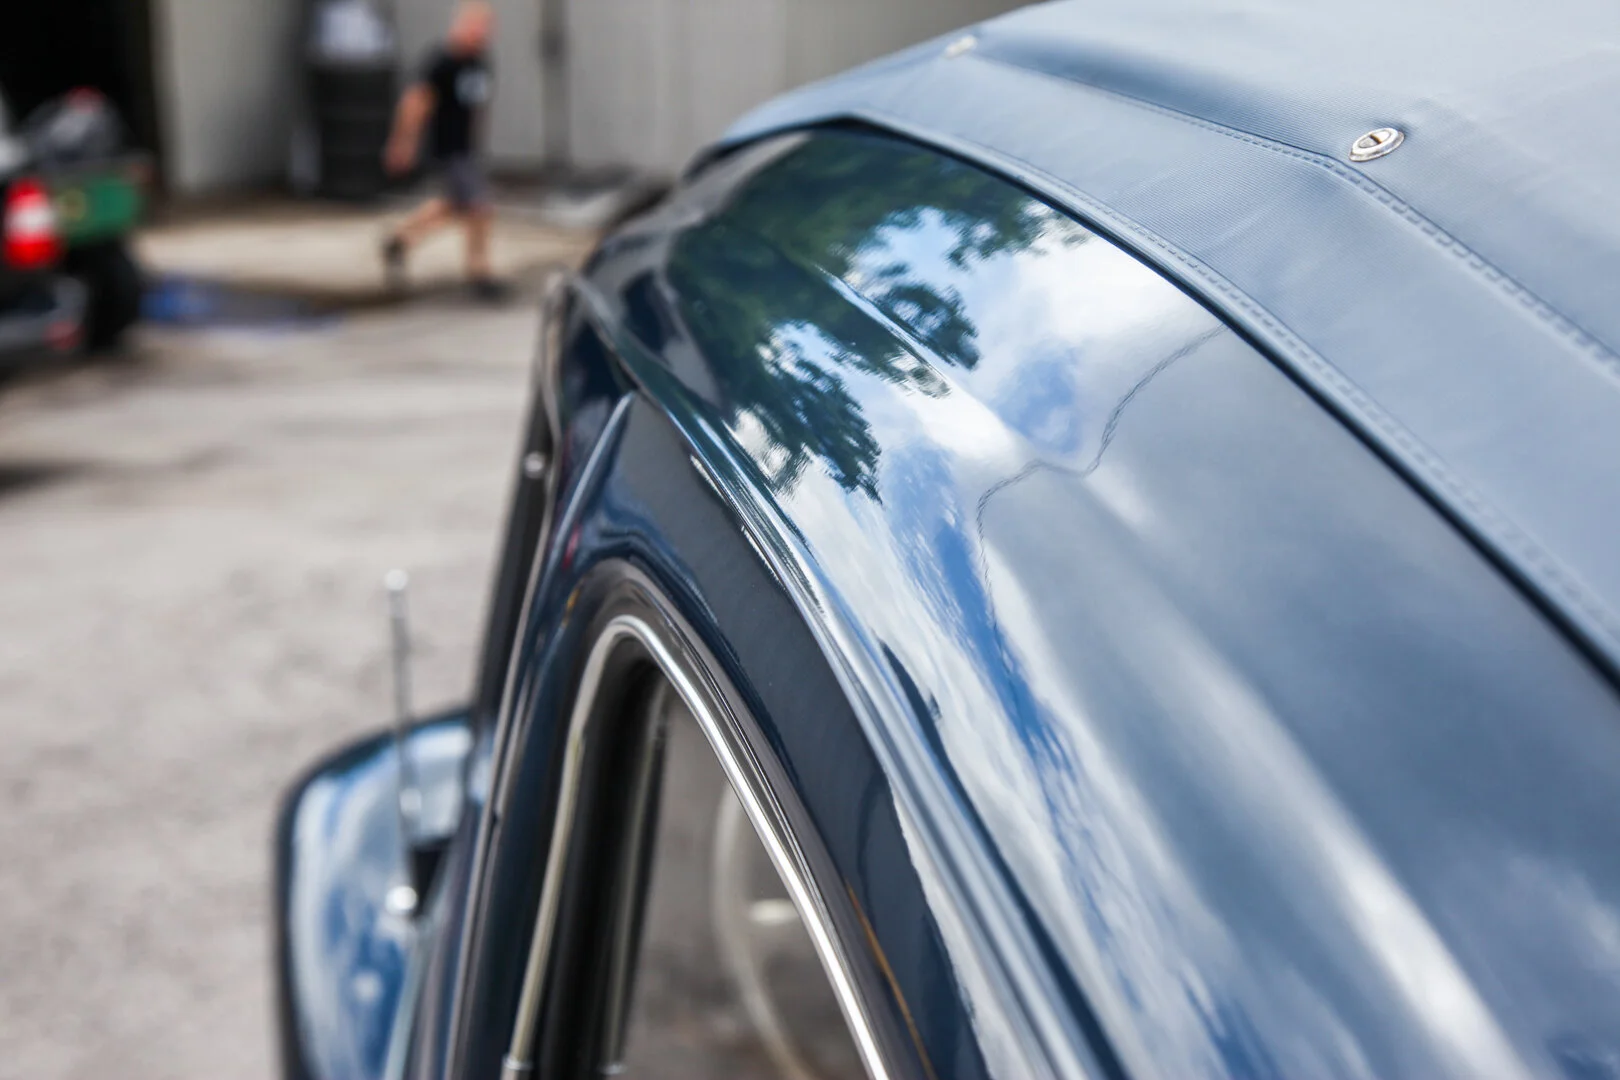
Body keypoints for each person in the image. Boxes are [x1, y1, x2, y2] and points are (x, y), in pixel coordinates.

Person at [381, 1, 505, 300]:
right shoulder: (442, 62)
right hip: (447, 147)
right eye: (475, 27)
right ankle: (480, 273)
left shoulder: (480, 63)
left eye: (485, 28)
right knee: (479, 208)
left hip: (466, 148)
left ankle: (398, 240)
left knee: (452, 206)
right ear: (459, 26)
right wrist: (403, 143)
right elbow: (415, 103)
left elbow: (477, 107)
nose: (481, 34)